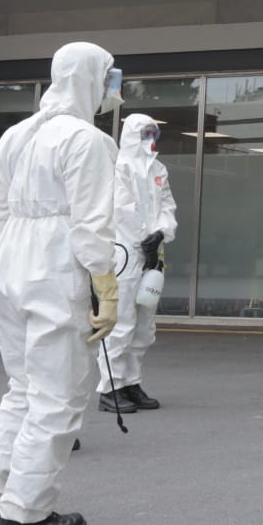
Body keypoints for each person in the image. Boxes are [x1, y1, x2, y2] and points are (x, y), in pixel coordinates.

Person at [0, 42, 124, 525]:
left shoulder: (17, 133)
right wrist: (105, 285)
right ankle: (26, 514)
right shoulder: (88, 140)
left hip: (10, 260)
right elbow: (92, 222)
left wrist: (12, 249)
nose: (113, 86)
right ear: (91, 80)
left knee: (22, 387)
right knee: (58, 394)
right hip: (56, 264)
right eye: (109, 76)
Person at [96, 113, 179, 415]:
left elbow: (167, 204)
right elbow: (121, 209)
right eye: (145, 133)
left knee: (144, 323)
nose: (151, 139)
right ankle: (110, 387)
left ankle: (132, 381)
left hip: (152, 252)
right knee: (121, 321)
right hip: (126, 251)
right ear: (132, 134)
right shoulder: (117, 168)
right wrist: (145, 238)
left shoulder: (158, 169)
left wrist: (161, 234)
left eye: (153, 133)